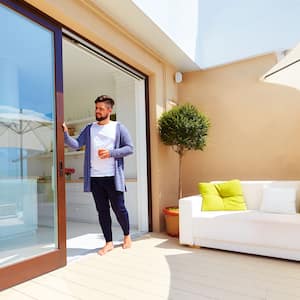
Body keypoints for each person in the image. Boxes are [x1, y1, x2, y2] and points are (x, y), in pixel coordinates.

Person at [63, 95, 134, 255]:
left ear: (109, 110)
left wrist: (111, 153)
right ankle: (108, 242)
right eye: (96, 108)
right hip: (95, 178)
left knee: (119, 209)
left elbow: (129, 148)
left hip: (112, 177)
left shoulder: (118, 127)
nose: (98, 111)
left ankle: (127, 236)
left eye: (101, 108)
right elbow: (76, 145)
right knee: (102, 211)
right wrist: (66, 135)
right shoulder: (90, 128)